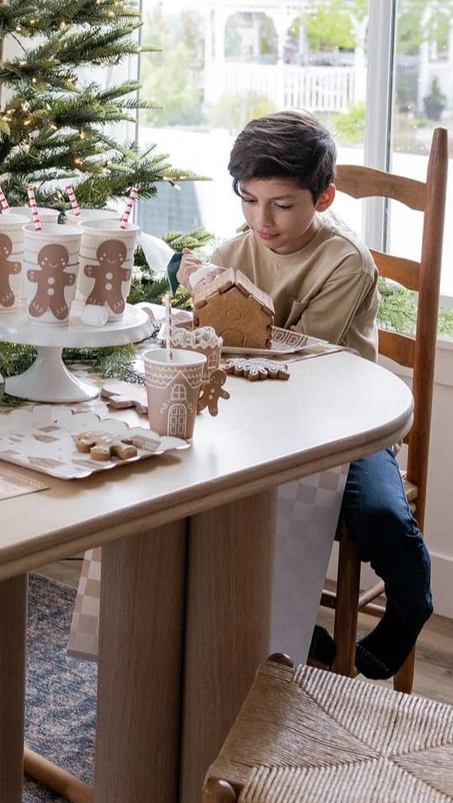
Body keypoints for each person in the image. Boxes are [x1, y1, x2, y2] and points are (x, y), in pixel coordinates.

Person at [180, 110, 432, 679]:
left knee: (378, 513)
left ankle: (411, 604)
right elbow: (207, 345)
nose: (260, 219)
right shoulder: (232, 251)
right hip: (255, 417)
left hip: (344, 420)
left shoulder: (344, 263)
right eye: (247, 200)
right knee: (203, 494)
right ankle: (270, 622)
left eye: (281, 204)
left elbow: (309, 365)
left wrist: (230, 316)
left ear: (323, 198)